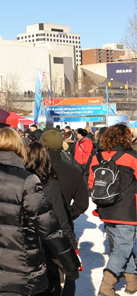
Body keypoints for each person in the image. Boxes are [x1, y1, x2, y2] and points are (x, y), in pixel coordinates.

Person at [0, 127, 80, 296]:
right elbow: (49, 228)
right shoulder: (27, 179)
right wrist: (69, 263)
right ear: (19, 147)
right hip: (23, 264)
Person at [88, 124, 137, 296]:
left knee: (121, 246)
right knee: (124, 247)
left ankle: (132, 282)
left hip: (106, 208)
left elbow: (91, 183)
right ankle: (106, 287)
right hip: (128, 210)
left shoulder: (97, 156)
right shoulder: (132, 157)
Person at [25, 143, 78, 296]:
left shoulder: (19, 183)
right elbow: (61, 219)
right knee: (50, 284)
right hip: (46, 246)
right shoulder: (50, 185)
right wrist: (72, 246)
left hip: (25, 245)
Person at [39, 129, 89, 221]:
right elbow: (82, 204)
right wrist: (66, 214)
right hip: (63, 225)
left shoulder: (33, 168)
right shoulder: (73, 171)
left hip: (36, 225)